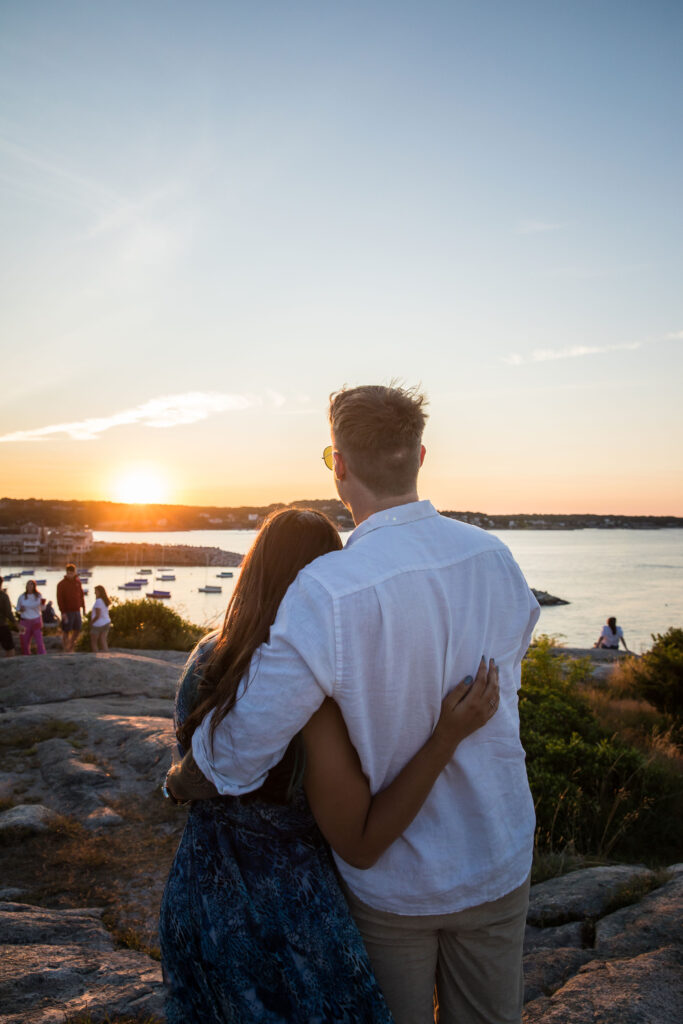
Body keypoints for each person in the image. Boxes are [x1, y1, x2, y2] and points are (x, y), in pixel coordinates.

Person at [171, 384, 540, 1024]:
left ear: (338, 465)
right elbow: (505, 676)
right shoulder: (494, 556)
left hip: (394, 880)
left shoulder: (325, 591)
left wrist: (183, 776)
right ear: (420, 455)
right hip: (494, 848)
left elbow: (239, 755)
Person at [56, 563, 86, 652]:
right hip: (67, 611)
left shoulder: (78, 582)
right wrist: (63, 612)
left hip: (77, 610)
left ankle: (71, 646)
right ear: (66, 573)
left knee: (78, 629)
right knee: (66, 630)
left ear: (74, 572)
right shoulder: (61, 584)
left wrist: (84, 607)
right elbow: (60, 599)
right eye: (69, 573)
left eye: (72, 573)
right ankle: (65, 649)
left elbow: (81, 595)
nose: (71, 575)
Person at [16, 579, 46, 656]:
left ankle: (42, 655)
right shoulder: (22, 596)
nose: (29, 586)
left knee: (39, 640)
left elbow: (42, 609)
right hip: (25, 621)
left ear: (34, 586)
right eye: (28, 584)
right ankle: (26, 655)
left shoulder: (38, 596)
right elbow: (17, 608)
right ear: (26, 586)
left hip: (36, 620)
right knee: (24, 641)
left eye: (31, 584)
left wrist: (43, 604)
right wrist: (20, 609)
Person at [90, 585, 112, 652]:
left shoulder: (98, 601)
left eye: (95, 591)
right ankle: (106, 653)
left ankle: (95, 655)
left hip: (98, 624)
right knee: (103, 640)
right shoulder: (105, 601)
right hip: (106, 622)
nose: (94, 593)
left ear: (99, 592)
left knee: (94, 642)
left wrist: (91, 622)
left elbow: (97, 615)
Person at [0, 576, 17, 657]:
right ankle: (10, 665)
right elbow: (8, 613)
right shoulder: (3, 595)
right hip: (2, 625)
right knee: (10, 648)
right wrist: (16, 623)